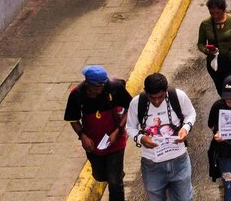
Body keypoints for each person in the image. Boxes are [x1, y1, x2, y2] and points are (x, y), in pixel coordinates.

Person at [64, 65, 132, 201]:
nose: (100, 90)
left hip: (115, 140)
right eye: (96, 87)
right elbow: (73, 119)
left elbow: (130, 107)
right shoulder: (76, 95)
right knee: (100, 175)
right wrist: (82, 136)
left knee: (114, 181)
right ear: (87, 83)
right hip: (93, 143)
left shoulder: (114, 88)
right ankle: (117, 173)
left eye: (102, 86)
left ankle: (116, 175)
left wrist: (118, 130)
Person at [125, 73, 197, 201]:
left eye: (160, 97)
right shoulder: (137, 103)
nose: (157, 101)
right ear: (146, 92)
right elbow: (130, 127)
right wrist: (141, 138)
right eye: (152, 98)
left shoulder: (178, 96)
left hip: (179, 160)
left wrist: (185, 129)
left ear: (166, 90)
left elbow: (190, 113)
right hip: (151, 164)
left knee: (185, 198)